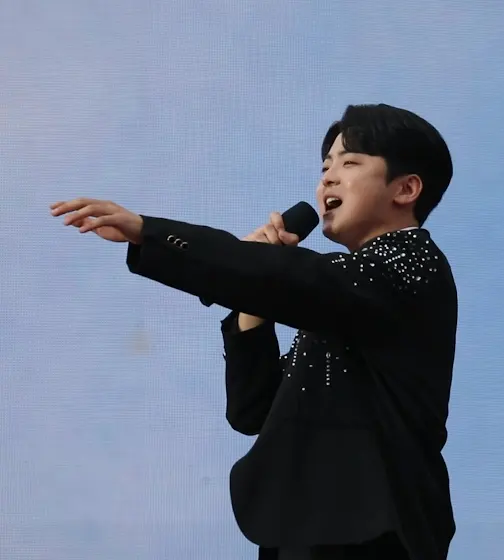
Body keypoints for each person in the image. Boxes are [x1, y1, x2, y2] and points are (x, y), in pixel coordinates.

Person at [51, 103, 457, 560]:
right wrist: (254, 300)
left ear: (406, 188)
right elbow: (253, 410)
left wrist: (151, 233)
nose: (328, 178)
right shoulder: (344, 299)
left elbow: (294, 279)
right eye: (325, 167)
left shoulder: (410, 264)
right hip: (304, 528)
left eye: (350, 163)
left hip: (372, 529)